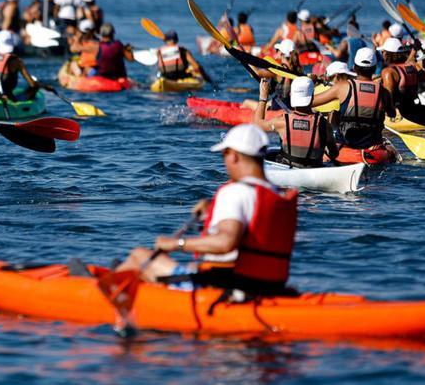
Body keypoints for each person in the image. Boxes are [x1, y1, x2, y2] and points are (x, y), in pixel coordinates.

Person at [116, 124, 299, 294]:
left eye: (224, 155)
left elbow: (225, 242)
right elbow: (255, 227)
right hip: (269, 286)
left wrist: (176, 244)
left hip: (226, 289)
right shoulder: (276, 193)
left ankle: (100, 297)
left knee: (139, 256)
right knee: (190, 268)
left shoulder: (235, 191)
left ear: (234, 155)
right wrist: (212, 212)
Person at [311, 49, 395, 152]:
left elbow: (310, 101)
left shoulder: (343, 87)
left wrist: (312, 84)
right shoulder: (384, 92)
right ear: (374, 68)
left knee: (333, 114)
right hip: (372, 148)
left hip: (345, 147)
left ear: (354, 68)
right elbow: (392, 114)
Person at [253, 77, 338, 168]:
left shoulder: (283, 121)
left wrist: (263, 98)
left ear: (292, 95)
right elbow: (334, 154)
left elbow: (257, 124)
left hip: (288, 170)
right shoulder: (323, 124)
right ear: (312, 96)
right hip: (313, 171)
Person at [380, 37, 425, 126]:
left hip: (399, 115)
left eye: (382, 52)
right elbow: (411, 64)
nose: (382, 54)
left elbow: (388, 101)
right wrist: (414, 50)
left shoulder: (388, 72)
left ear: (387, 54)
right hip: (414, 109)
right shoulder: (412, 67)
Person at [0, 30, 49, 101]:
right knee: (34, 87)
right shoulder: (16, 61)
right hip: (6, 98)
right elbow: (32, 83)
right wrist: (44, 86)